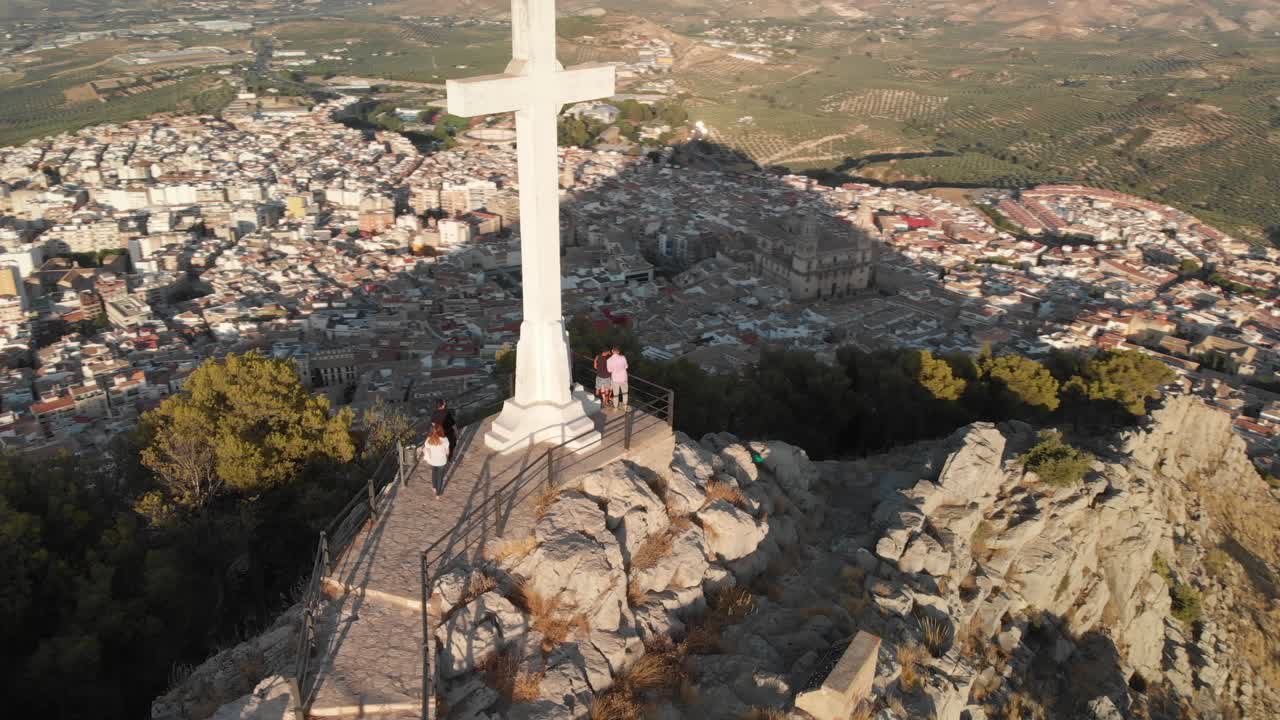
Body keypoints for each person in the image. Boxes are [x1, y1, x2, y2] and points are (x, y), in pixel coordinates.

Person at [422, 422, 450, 496]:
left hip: (432, 461)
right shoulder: (445, 440)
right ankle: (438, 494)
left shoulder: (428, 440)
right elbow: (447, 452)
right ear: (441, 430)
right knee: (440, 477)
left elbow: (427, 450)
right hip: (442, 461)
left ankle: (434, 487)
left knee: (434, 473)